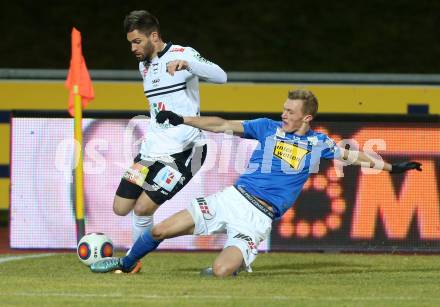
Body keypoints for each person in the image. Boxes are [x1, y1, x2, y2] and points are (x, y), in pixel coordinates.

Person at [91, 89, 422, 276]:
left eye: (290, 111)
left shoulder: (319, 143)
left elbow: (355, 155)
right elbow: (221, 124)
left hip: (257, 217)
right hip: (231, 198)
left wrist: (392, 169)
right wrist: (182, 119)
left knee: (220, 273)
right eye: (284, 109)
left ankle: (231, 265)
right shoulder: (266, 127)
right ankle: (126, 264)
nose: (284, 114)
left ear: (307, 117)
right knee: (159, 230)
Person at [114, 9, 227, 263]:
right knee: (120, 208)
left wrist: (190, 65)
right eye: (131, 42)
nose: (133, 48)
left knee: (143, 209)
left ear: (154, 36)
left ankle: (132, 261)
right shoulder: (144, 66)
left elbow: (222, 76)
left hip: (187, 151)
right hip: (150, 151)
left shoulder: (183, 54)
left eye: (137, 41)